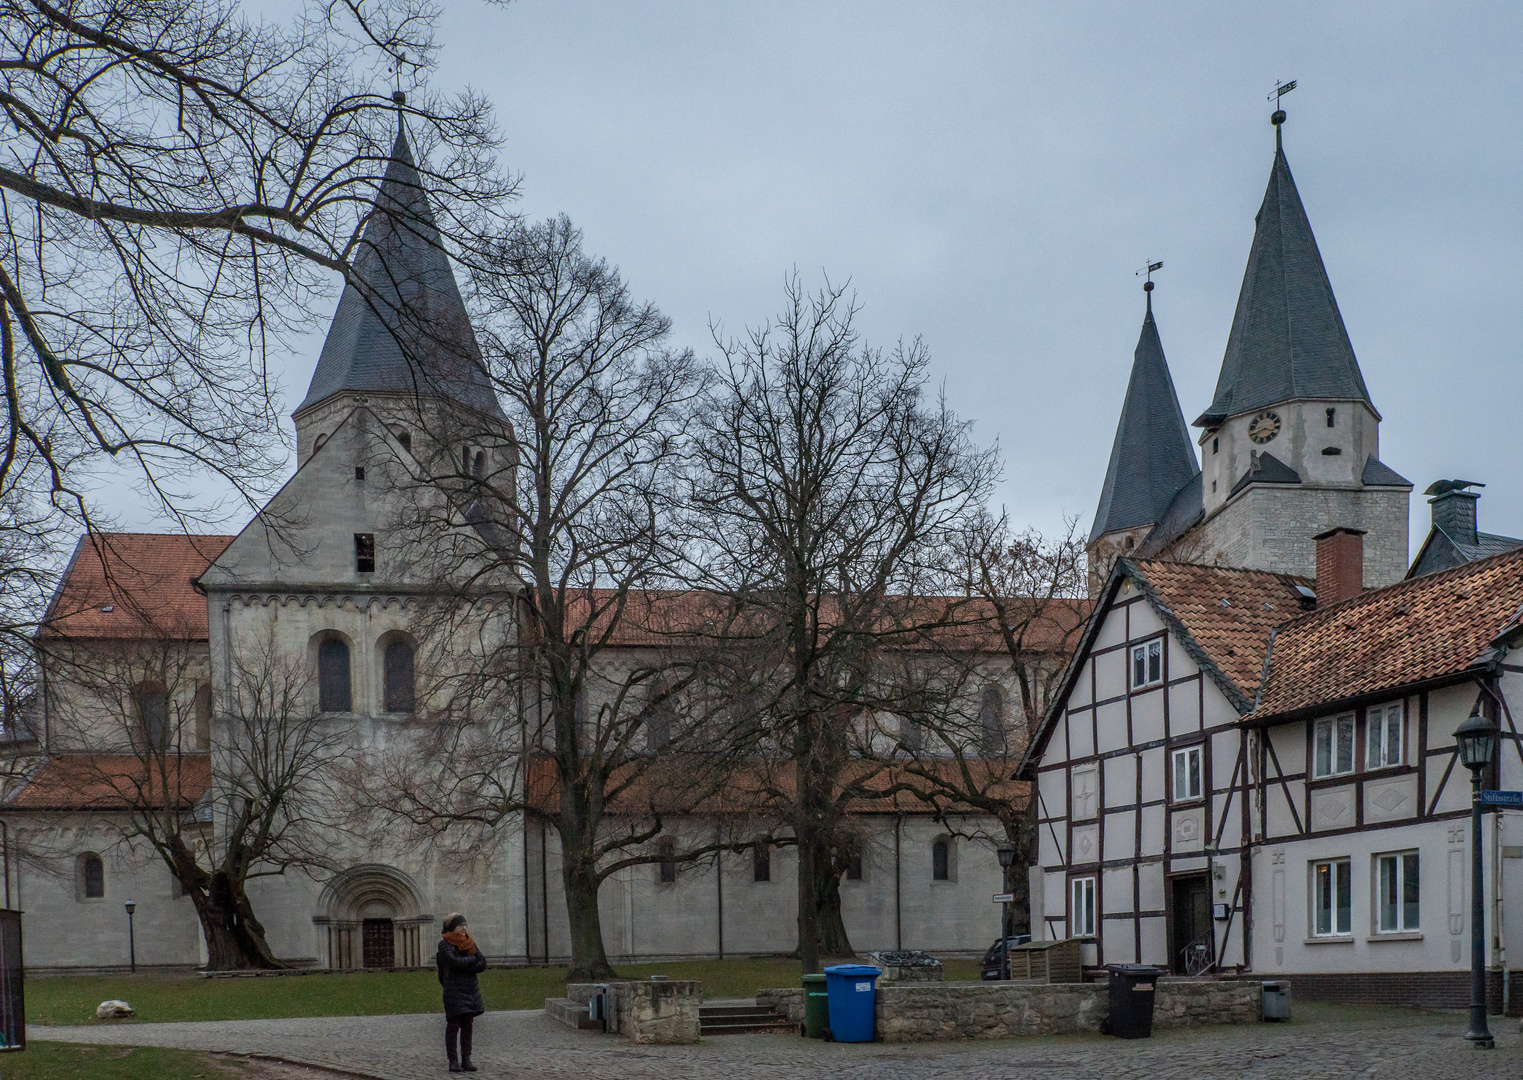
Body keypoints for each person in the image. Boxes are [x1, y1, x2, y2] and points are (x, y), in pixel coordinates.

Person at [437, 912, 487, 1072]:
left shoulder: (470, 942)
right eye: (461, 925)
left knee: (468, 1025)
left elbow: (483, 963)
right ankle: (453, 1061)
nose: (465, 928)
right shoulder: (444, 944)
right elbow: (452, 961)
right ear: (452, 927)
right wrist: (471, 962)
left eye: (465, 925)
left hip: (470, 989)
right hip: (453, 990)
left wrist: (466, 964)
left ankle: (466, 1059)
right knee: (453, 1025)